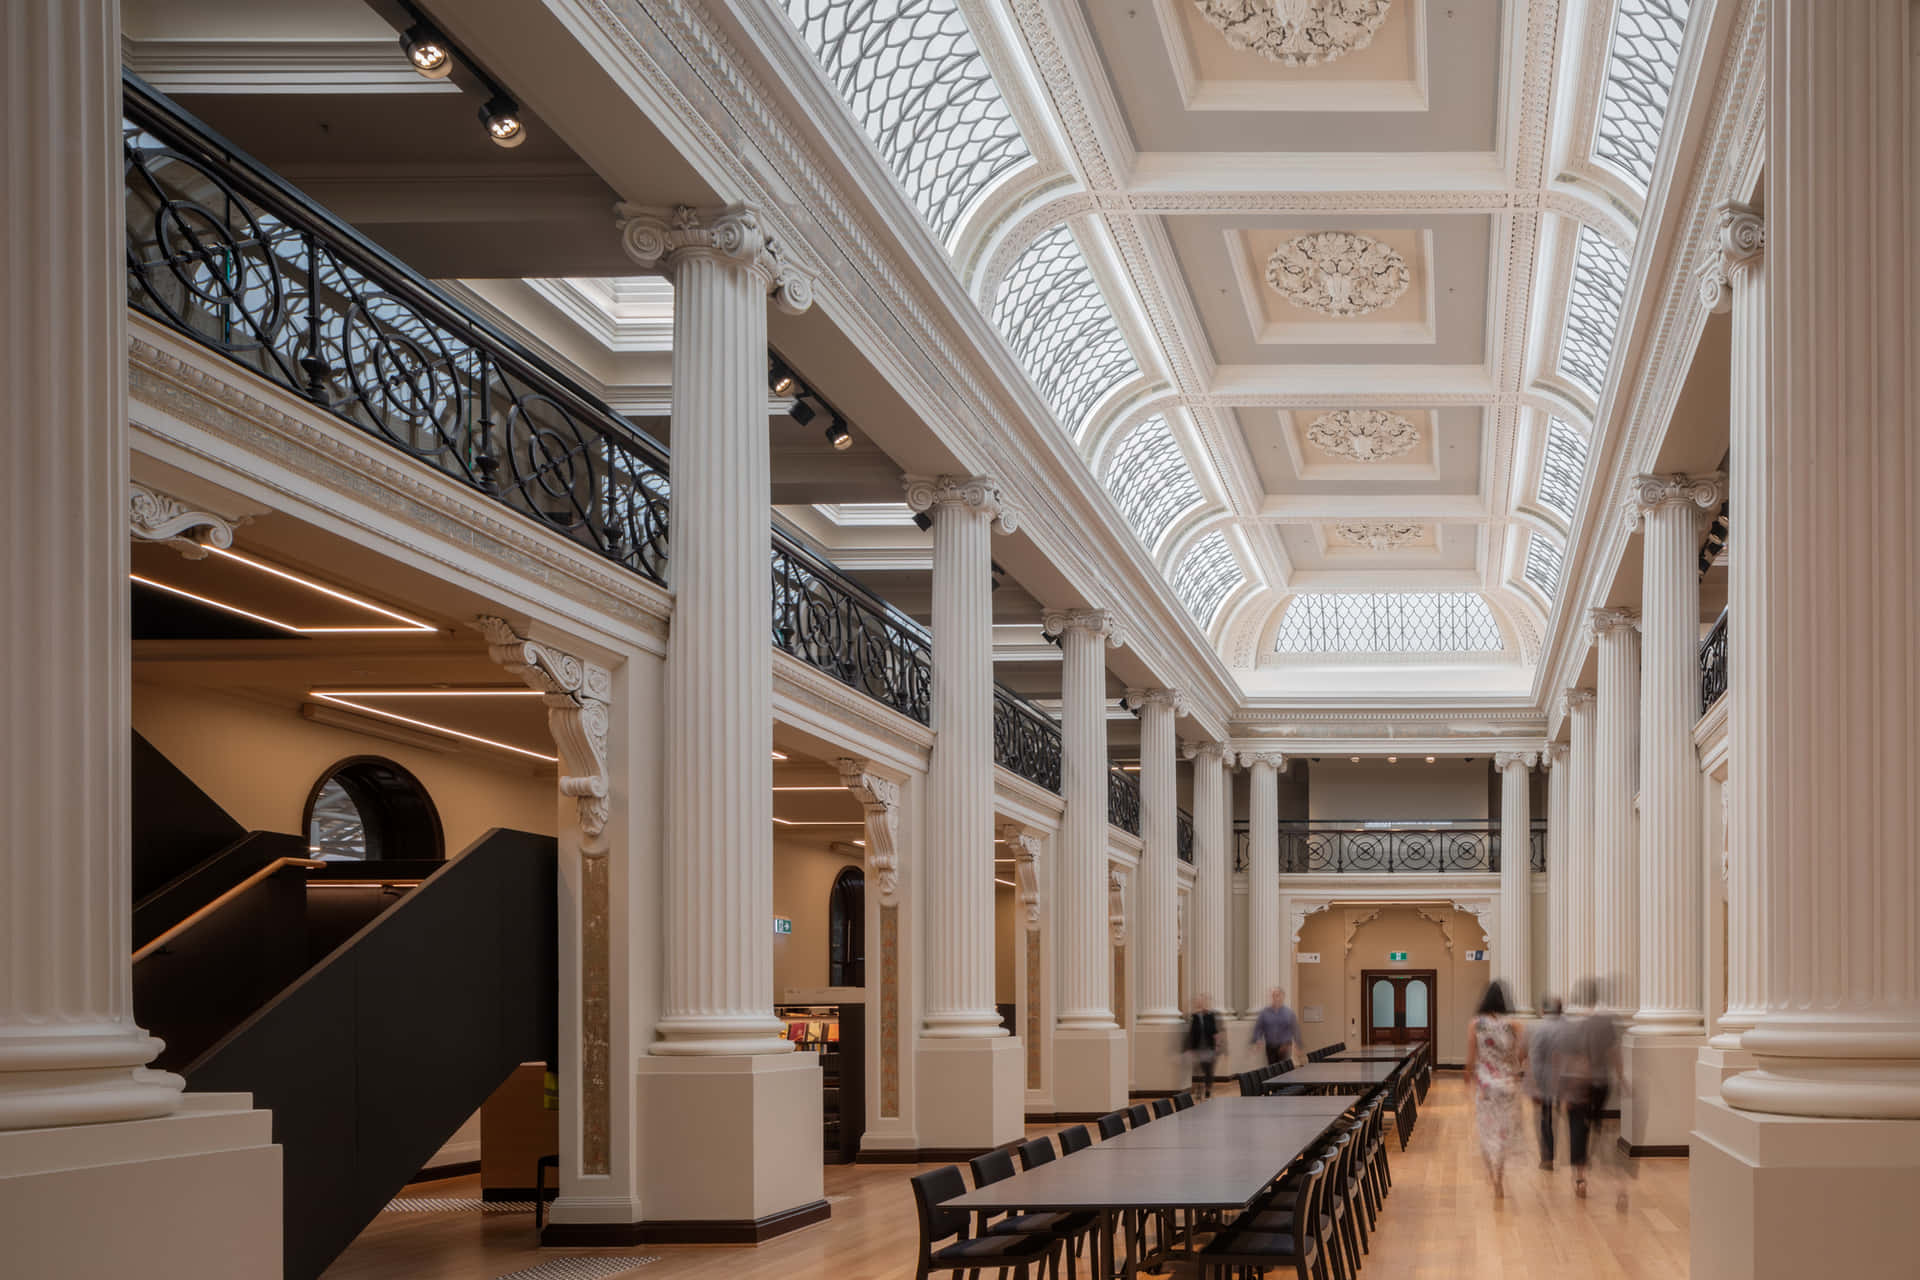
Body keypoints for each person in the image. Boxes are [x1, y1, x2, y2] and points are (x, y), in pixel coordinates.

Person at [1557, 978, 1624, 1205]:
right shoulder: (1608, 1022)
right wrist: (1622, 1077)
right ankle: (1615, 1177)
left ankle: (1581, 1177)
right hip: (1602, 1083)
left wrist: (1567, 1088)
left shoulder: (1578, 1024)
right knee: (1598, 1127)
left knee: (1578, 1129)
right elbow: (1614, 1052)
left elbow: (1575, 1058)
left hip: (1581, 1084)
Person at [1462, 979, 1527, 1199]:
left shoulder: (1476, 1024)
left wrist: (1467, 1078)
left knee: (1486, 1130)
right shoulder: (1515, 1024)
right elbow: (1520, 1055)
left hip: (1486, 1085)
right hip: (1507, 1084)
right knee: (1503, 1131)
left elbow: (1471, 1058)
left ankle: (1492, 1175)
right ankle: (1500, 1171)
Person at [1529, 995, 1566, 1170]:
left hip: (1546, 1080)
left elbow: (1535, 1058)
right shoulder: (1569, 1027)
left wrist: (1535, 1085)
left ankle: (1548, 1158)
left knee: (1546, 1119)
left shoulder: (1541, 1028)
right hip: (1567, 1080)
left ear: (1544, 1010)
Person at [1184, 994, 1224, 1100]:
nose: (1200, 1003)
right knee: (1198, 1070)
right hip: (1198, 1048)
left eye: (1202, 1001)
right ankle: (1199, 1089)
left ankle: (1208, 1090)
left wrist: (1218, 1045)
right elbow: (1191, 1033)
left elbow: (1215, 1031)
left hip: (1209, 1047)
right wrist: (1189, 1048)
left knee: (1208, 1070)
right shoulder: (1195, 1017)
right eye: (1198, 1002)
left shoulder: (1210, 1016)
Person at [1250, 988, 1301, 1067]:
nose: (1276, 998)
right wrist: (1257, 1039)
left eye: (1278, 996)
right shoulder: (1265, 1012)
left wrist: (1298, 1044)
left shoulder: (1289, 1013)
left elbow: (1295, 1029)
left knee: (1284, 1068)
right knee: (1272, 1068)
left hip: (1285, 1046)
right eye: (1274, 996)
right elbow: (1259, 1027)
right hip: (1271, 1045)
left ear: (1283, 997)